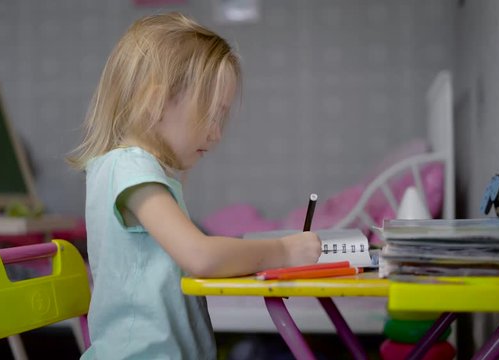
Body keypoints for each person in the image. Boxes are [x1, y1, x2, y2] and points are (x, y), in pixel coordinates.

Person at [68, 12, 322, 359]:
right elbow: (200, 255)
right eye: (211, 115)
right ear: (154, 103)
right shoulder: (129, 167)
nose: (217, 134)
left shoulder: (137, 169)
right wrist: (285, 250)